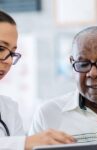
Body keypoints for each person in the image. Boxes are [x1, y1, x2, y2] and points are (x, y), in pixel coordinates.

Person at [0, 10, 75, 150]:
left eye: (12, 52)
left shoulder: (8, 109)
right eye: (0, 49)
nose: (9, 61)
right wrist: (25, 143)